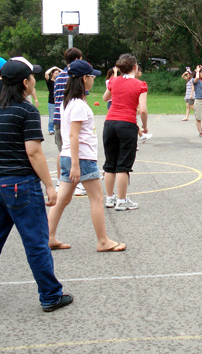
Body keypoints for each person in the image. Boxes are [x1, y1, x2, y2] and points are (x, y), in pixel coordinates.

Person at [0, 56, 73, 313]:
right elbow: (33, 152)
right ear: (25, 83)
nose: (35, 80)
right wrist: (49, 185)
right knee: (36, 241)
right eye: (32, 77)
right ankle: (50, 295)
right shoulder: (27, 111)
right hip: (18, 184)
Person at [47, 60, 126, 252]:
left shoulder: (69, 102)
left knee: (63, 198)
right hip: (80, 158)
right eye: (91, 76)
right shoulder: (78, 105)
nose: (93, 80)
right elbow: (74, 135)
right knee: (97, 198)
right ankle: (103, 241)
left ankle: (48, 237)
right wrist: (76, 164)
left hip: (69, 156)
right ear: (84, 78)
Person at [103, 53, 148, 211]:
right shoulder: (140, 84)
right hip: (127, 123)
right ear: (135, 67)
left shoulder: (113, 81)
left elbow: (105, 98)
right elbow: (142, 109)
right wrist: (145, 126)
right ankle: (122, 201)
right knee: (123, 165)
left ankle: (109, 198)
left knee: (110, 163)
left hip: (110, 123)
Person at [53, 47, 83, 187]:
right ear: (77, 59)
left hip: (58, 116)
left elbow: (55, 97)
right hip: (70, 116)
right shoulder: (75, 76)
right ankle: (74, 178)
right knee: (73, 147)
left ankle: (60, 180)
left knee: (62, 149)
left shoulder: (58, 76)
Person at [45, 66, 61, 135]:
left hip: (59, 100)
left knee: (60, 115)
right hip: (51, 101)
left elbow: (66, 73)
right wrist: (53, 68)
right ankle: (51, 129)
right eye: (55, 73)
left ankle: (58, 128)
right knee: (51, 116)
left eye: (58, 73)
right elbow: (46, 74)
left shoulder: (59, 81)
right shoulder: (50, 81)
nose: (57, 74)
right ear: (52, 74)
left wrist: (58, 69)